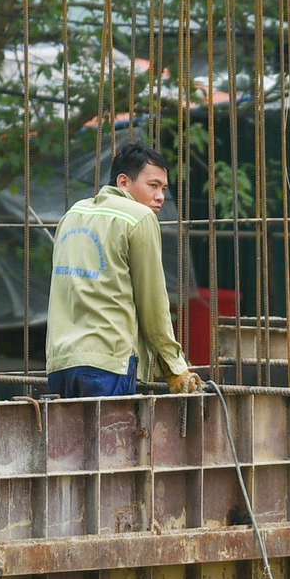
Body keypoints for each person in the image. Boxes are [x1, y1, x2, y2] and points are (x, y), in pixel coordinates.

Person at [46, 141, 203, 397]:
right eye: (152, 185)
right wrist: (175, 367)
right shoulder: (138, 218)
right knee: (109, 437)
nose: (161, 196)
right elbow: (153, 302)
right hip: (108, 364)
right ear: (123, 182)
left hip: (60, 363)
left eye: (164, 188)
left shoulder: (72, 215)